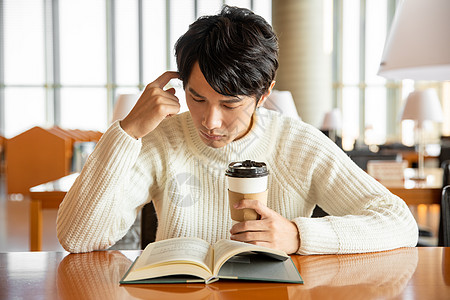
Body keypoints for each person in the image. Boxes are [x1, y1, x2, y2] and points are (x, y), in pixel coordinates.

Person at [56, 6, 418, 254]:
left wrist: (297, 235)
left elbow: (399, 222)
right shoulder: (163, 139)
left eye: (229, 104)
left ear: (265, 93)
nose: (210, 122)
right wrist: (127, 131)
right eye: (196, 98)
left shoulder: (297, 142)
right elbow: (77, 237)